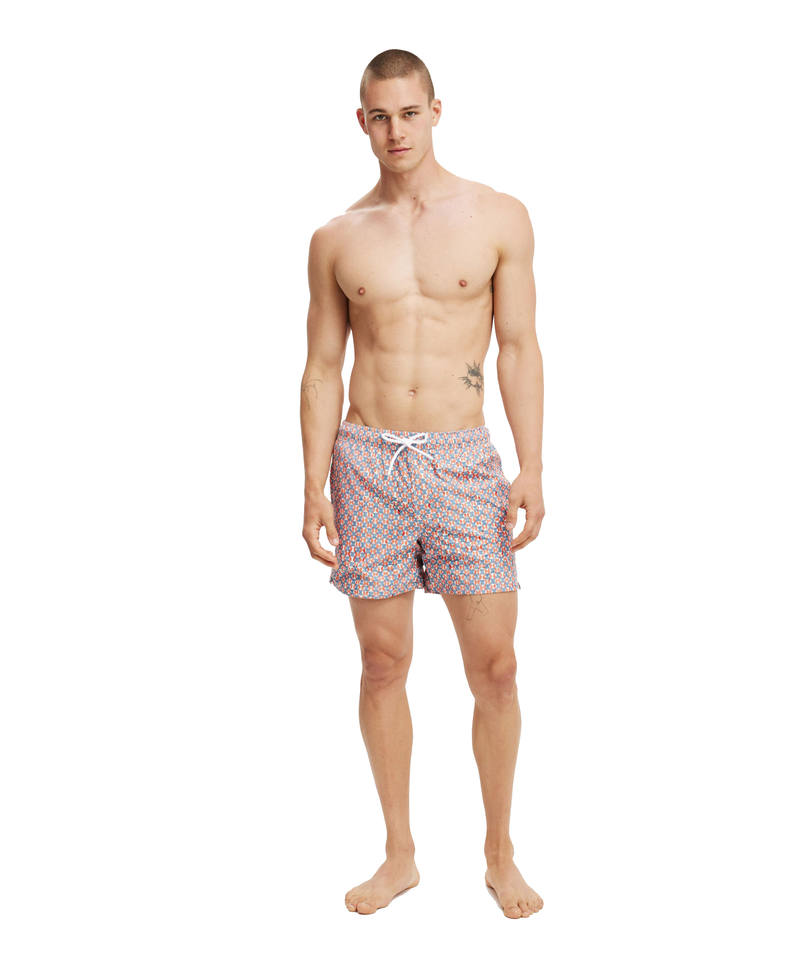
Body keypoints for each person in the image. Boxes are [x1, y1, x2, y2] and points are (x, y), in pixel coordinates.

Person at [300, 49, 545, 919]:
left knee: (497, 669)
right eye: (379, 115)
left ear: (435, 111)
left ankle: (499, 853)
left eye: (408, 113)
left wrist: (531, 465)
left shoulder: (497, 216)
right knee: (381, 663)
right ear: (360, 122)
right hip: (366, 463)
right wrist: (313, 483)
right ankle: (398, 854)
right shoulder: (337, 237)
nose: (395, 130)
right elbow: (321, 366)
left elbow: (517, 346)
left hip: (462, 462)